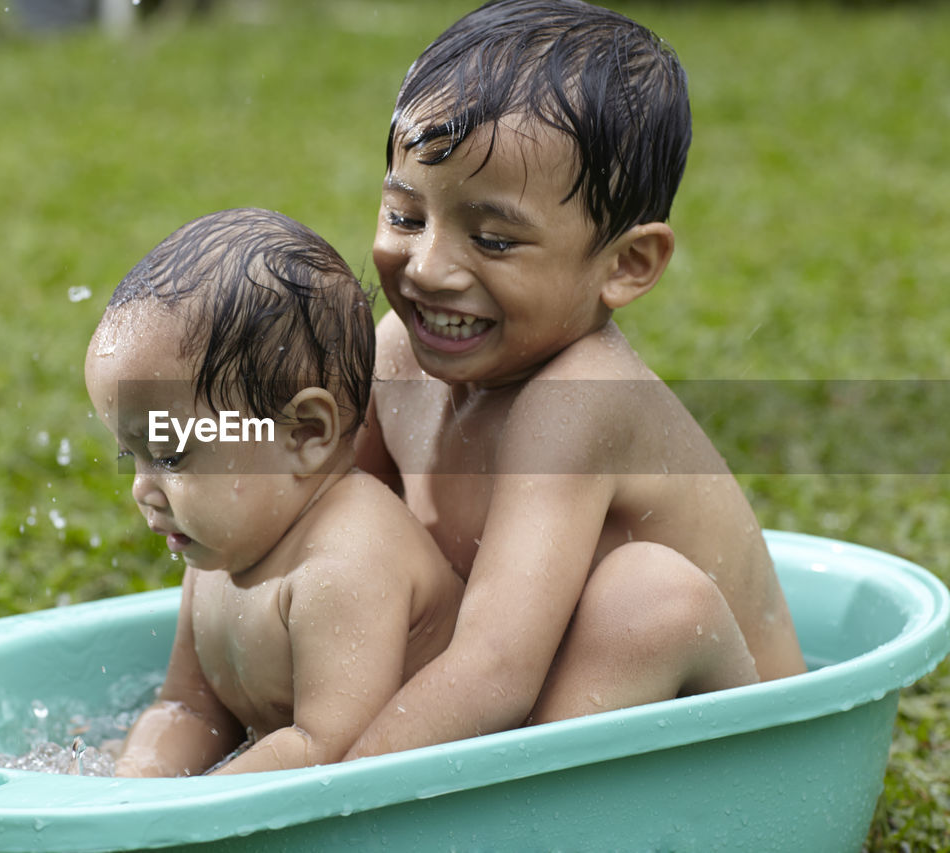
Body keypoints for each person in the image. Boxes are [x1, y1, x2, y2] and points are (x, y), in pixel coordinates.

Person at [345, 0, 805, 759]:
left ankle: (514, 826)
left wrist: (321, 796)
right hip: (552, 722)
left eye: (493, 238)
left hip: (752, 767)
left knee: (649, 599)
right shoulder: (393, 356)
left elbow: (494, 672)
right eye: (404, 216)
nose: (427, 268)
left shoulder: (580, 398)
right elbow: (332, 534)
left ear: (625, 265)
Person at [85, 208, 464, 776]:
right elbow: (189, 708)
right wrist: (134, 785)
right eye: (129, 455)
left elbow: (327, 749)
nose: (142, 487)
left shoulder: (347, 564)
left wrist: (186, 815)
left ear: (305, 433)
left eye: (169, 454)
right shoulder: (218, 550)